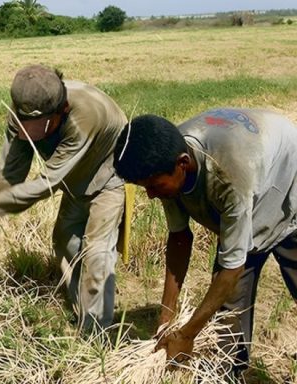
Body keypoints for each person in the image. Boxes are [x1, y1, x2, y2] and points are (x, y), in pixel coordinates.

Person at [113, 108, 297, 376]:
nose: (151, 196)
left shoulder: (228, 175)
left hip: (287, 179)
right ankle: (228, 371)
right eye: (145, 188)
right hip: (251, 178)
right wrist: (167, 316)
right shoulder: (165, 157)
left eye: (154, 186)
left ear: (183, 163)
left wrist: (187, 335)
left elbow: (232, 267)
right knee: (229, 307)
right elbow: (179, 238)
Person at [0, 64, 128, 330]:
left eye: (40, 126)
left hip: (109, 173)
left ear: (63, 110)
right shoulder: (22, 112)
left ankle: (97, 332)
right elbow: (10, 171)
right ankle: (83, 310)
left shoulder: (84, 117)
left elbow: (47, 183)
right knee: (65, 240)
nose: (29, 132)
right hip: (74, 179)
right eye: (25, 124)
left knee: (97, 253)